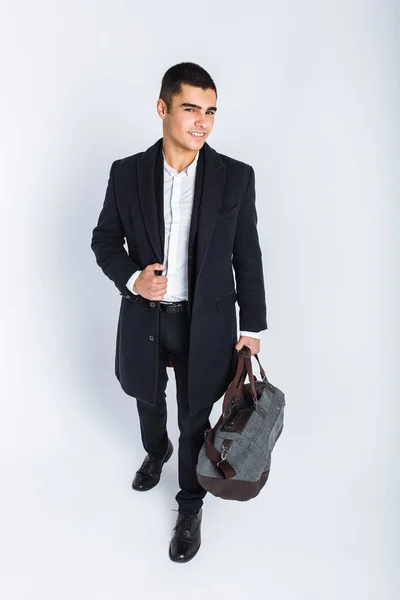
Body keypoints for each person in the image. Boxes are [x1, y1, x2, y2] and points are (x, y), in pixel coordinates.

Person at [91, 62, 267, 563]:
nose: (202, 122)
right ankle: (156, 451)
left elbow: (247, 255)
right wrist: (133, 278)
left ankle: (189, 503)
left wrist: (252, 327)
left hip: (206, 321)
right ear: (163, 108)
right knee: (147, 397)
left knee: (195, 418)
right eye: (191, 108)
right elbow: (104, 240)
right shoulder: (126, 172)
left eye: (210, 111)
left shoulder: (236, 176)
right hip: (147, 316)